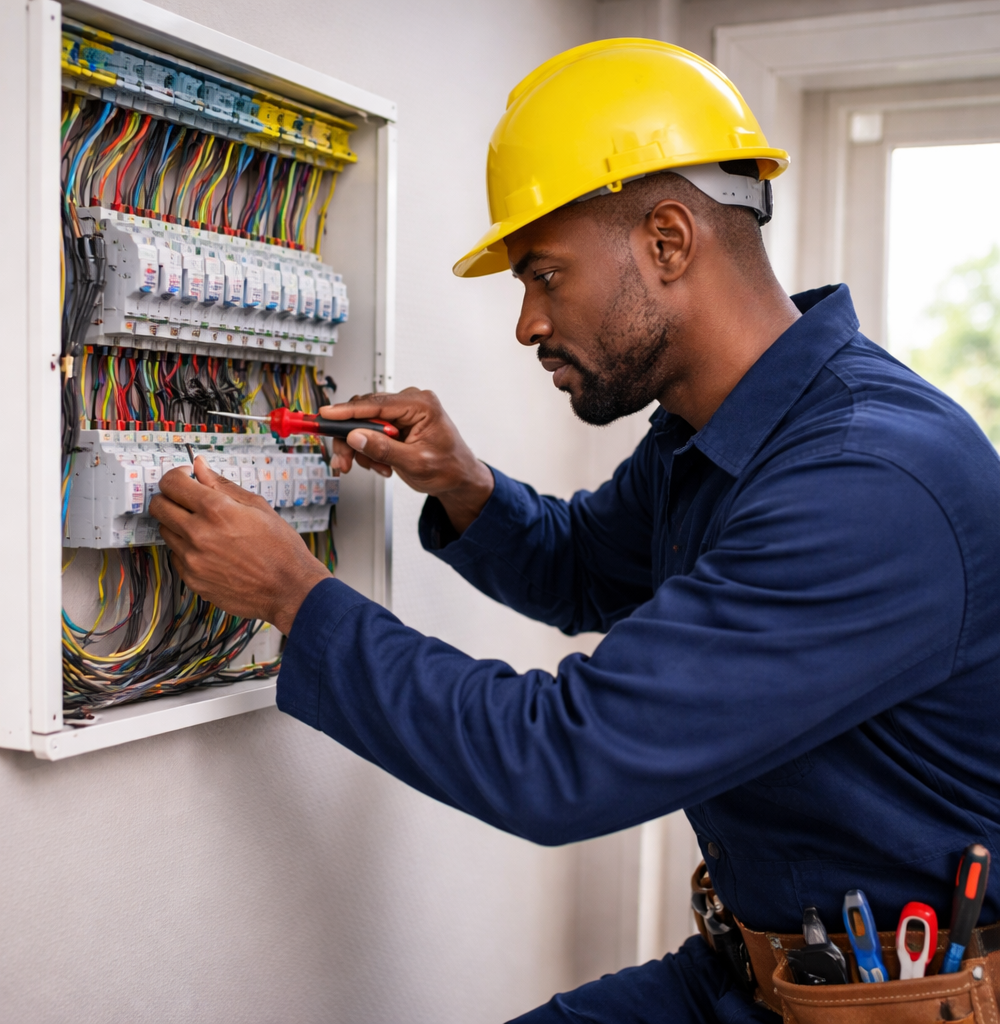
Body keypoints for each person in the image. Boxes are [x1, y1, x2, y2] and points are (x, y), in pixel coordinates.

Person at [150, 39, 1000, 1024]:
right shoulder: (720, 428)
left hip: (903, 1006)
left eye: (544, 274)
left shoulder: (864, 483)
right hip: (752, 973)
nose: (524, 323)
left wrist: (295, 599)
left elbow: (560, 761)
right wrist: (464, 484)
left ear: (668, 242)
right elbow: (587, 568)